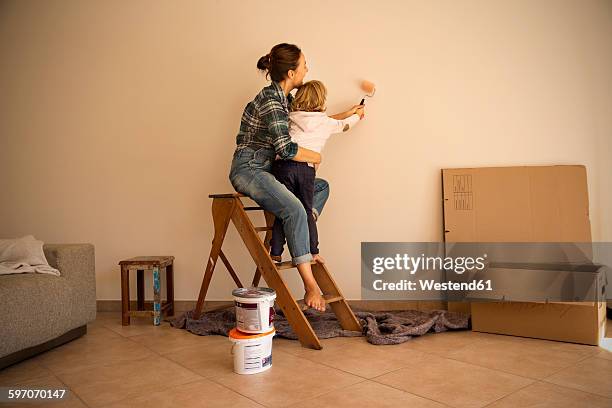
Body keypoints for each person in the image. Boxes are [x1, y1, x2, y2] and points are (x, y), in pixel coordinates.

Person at [229, 43, 363, 312]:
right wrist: (316, 157)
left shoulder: (285, 100)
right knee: (295, 210)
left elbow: (312, 122)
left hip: (269, 169)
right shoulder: (271, 101)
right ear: (291, 73)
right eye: (304, 65)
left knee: (320, 188)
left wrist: (348, 114)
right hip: (249, 169)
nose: (307, 69)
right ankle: (310, 285)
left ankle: (300, 224)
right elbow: (286, 149)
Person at [269, 80, 364, 265]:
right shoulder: (324, 122)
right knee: (305, 208)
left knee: (284, 209)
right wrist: (357, 116)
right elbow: (343, 125)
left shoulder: (291, 116)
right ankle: (313, 251)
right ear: (321, 100)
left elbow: (330, 119)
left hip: (283, 167)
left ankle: (275, 252)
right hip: (305, 169)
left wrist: (350, 111)